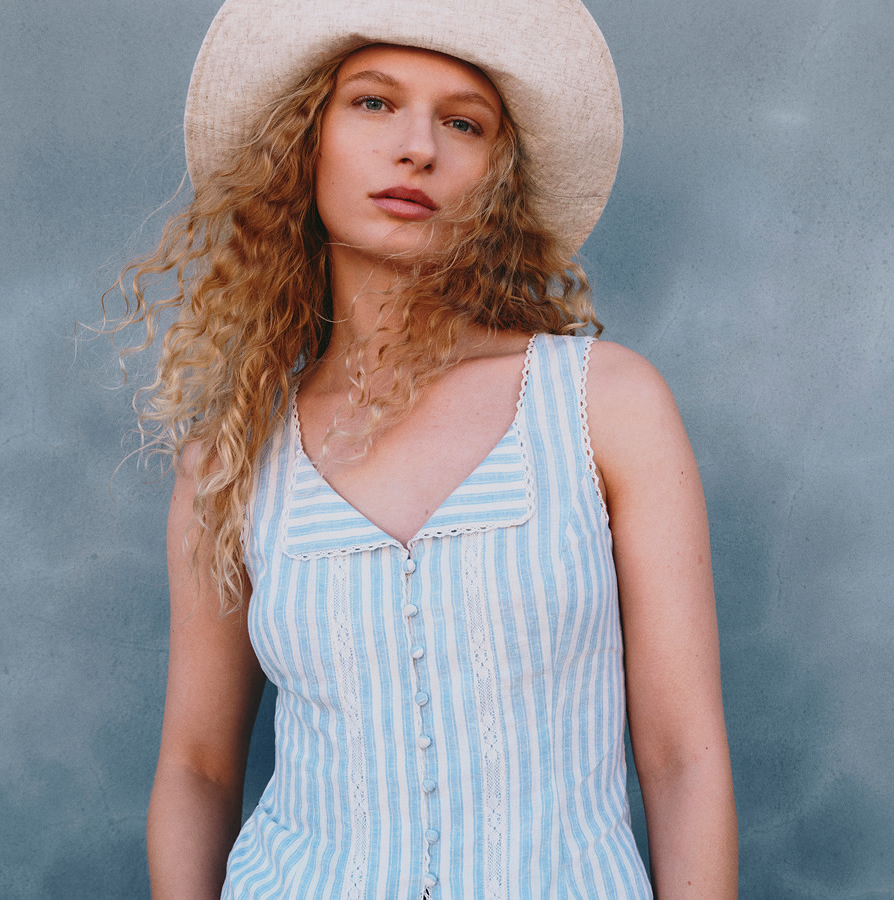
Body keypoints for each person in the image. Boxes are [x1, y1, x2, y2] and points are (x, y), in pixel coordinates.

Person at [116, 0, 737, 896]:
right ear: (308, 143)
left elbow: (684, 758)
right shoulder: (231, 458)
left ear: (496, 177)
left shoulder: (605, 403)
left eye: (463, 122)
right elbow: (197, 767)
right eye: (372, 103)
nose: (418, 148)